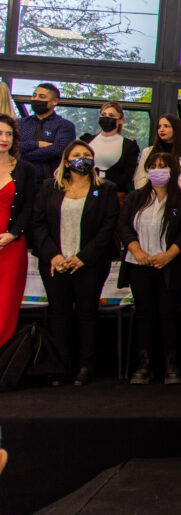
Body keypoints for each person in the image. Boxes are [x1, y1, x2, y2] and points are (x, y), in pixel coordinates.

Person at [30, 140, 119, 386]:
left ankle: (85, 365)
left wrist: (83, 257)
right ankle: (60, 366)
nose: (82, 158)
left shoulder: (106, 188)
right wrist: (53, 255)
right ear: (66, 161)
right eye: (77, 155)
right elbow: (37, 224)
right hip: (54, 262)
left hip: (89, 262)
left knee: (86, 313)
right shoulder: (49, 187)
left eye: (87, 154)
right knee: (59, 314)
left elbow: (108, 227)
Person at [118, 152, 181, 385]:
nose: (158, 170)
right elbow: (123, 225)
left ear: (173, 171)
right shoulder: (135, 197)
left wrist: (168, 255)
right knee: (144, 315)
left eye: (163, 166)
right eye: (153, 166)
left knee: (169, 315)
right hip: (139, 264)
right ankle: (144, 364)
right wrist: (138, 252)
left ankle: (171, 365)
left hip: (170, 265)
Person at [0, 115, 36, 349]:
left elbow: (29, 207)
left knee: (5, 305)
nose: (3, 138)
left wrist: (13, 234)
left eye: (8, 134)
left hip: (11, 245)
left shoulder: (25, 170)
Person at [18, 83, 76, 181]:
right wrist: (38, 144)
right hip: (20, 178)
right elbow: (13, 146)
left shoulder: (65, 125)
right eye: (34, 95)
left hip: (50, 181)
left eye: (42, 97)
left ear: (54, 101)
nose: (36, 99)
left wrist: (23, 156)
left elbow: (58, 150)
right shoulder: (20, 123)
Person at [79, 101, 140, 194]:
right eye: (103, 114)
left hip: (114, 193)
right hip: (85, 190)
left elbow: (128, 175)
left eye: (111, 115)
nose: (106, 118)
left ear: (121, 120)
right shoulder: (86, 140)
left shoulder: (129, 146)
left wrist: (106, 188)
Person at [134, 114, 181, 192]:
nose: (161, 130)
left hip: (174, 199)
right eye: (159, 126)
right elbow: (140, 179)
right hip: (148, 198)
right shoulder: (147, 151)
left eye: (166, 126)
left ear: (176, 129)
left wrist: (163, 195)